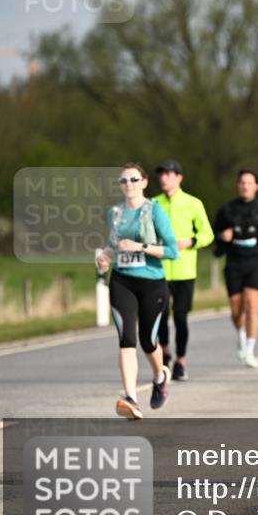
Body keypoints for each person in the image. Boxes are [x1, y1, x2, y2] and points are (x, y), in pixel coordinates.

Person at [96, 163, 179, 419]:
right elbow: (114, 245)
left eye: (133, 179)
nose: (128, 184)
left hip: (152, 283)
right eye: (123, 181)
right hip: (122, 281)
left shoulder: (155, 211)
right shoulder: (115, 213)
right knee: (126, 339)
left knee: (148, 340)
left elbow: (172, 250)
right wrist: (106, 258)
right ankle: (131, 398)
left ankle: (160, 375)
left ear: (144, 183)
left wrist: (140, 246)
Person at [153, 160, 214, 381]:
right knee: (160, 317)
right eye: (161, 174)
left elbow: (208, 234)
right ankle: (166, 352)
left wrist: (190, 241)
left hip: (185, 271)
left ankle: (181, 361)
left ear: (179, 178)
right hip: (158, 271)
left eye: (168, 174)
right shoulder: (153, 204)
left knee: (180, 318)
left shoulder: (193, 203)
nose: (164, 178)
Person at [213, 169, 258, 369]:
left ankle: (250, 349)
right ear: (238, 185)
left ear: (256, 186)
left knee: (251, 304)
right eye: (242, 182)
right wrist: (222, 236)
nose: (245, 186)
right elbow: (214, 233)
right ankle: (241, 334)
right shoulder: (227, 209)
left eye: (249, 183)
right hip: (234, 263)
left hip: (256, 262)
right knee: (236, 309)